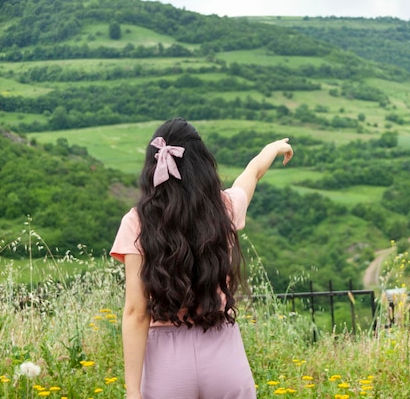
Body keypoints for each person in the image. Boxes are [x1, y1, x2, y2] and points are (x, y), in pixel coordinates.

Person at [110, 117, 293, 399]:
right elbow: (251, 174)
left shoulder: (137, 222)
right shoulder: (223, 208)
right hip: (222, 352)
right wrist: (272, 148)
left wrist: (133, 392)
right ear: (201, 165)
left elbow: (136, 312)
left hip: (166, 365)